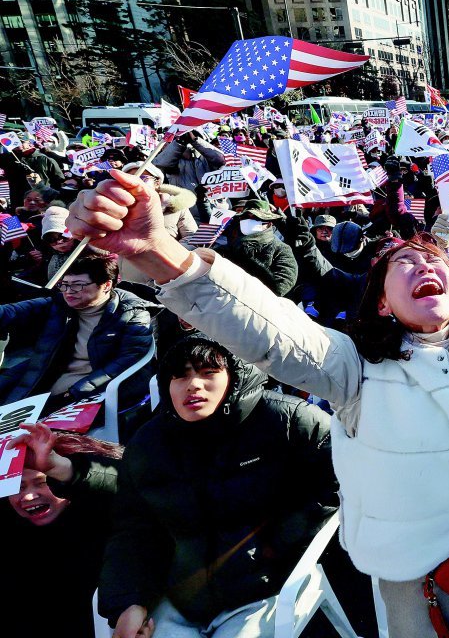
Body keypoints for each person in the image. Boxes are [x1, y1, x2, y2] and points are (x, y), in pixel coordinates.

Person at [69, 158, 449, 637]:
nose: (423, 265)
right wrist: (165, 253)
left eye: (433, 260)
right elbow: (267, 326)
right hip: (418, 580)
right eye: (404, 264)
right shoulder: (353, 369)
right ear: (385, 304)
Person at [98, 334, 337, 638]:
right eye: (180, 375)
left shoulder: (289, 420)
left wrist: (281, 545)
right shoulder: (148, 443)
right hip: (179, 598)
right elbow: (134, 529)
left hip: (266, 588)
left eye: (208, 372)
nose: (193, 384)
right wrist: (129, 602)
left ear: (235, 376)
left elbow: (336, 483)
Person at [4, 422, 122, 638]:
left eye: (41, 483)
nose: (29, 497)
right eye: (19, 487)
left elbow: (135, 484)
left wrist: (63, 468)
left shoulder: (106, 516)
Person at [0, 252, 154, 409]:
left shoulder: (132, 313)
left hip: (99, 385)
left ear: (107, 285)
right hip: (48, 370)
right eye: (64, 284)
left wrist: (76, 392)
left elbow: (127, 361)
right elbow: (12, 311)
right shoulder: (58, 303)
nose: (68, 291)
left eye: (78, 285)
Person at [218, 199, 299, 297]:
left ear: (269, 223)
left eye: (256, 217)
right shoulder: (229, 248)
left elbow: (279, 288)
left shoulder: (281, 249)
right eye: (245, 217)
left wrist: (247, 262)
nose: (249, 220)